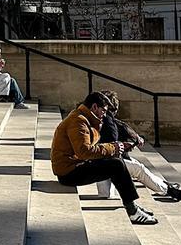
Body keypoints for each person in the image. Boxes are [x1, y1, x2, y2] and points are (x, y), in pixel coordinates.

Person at [51, 91, 158, 225]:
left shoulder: (84, 118)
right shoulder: (78, 121)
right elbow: (84, 151)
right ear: (94, 107)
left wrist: (115, 146)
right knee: (116, 165)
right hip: (69, 173)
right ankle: (132, 211)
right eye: (104, 110)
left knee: (115, 162)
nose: (105, 114)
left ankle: (132, 206)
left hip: (75, 166)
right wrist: (115, 147)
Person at [97, 90, 181, 202]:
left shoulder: (108, 121)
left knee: (134, 166)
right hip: (100, 161)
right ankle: (167, 189)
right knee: (138, 168)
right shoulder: (107, 122)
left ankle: (164, 185)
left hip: (101, 160)